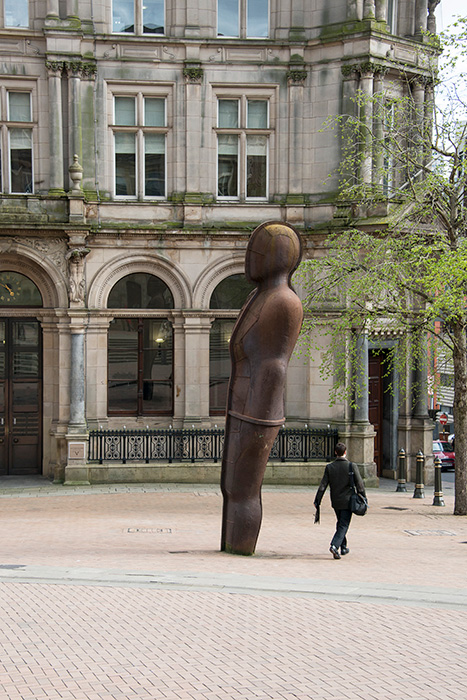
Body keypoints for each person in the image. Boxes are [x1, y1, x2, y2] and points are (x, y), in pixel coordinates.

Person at [221, 221, 303, 556]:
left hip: (256, 412)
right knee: (231, 486)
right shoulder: (260, 297)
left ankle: (241, 546)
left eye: (255, 251)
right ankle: (232, 541)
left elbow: (274, 366)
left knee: (243, 488)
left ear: (278, 257)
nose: (248, 258)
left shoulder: (283, 302)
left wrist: (259, 419)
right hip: (243, 405)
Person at [314, 442, 366, 559]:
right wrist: (363, 497)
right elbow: (360, 484)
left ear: (335, 453)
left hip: (336, 501)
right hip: (348, 501)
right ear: (345, 452)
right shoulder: (351, 466)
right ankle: (334, 545)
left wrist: (317, 500)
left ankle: (343, 547)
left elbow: (323, 485)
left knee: (340, 522)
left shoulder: (330, 467)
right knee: (343, 524)